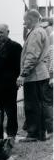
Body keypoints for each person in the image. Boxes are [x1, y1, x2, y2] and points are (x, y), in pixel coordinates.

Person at [17, 9, 50, 142]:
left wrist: (23, 74)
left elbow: (32, 55)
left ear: (30, 20)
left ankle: (33, 134)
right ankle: (41, 133)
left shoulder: (36, 33)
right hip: (40, 74)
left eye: (25, 21)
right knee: (41, 105)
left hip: (34, 75)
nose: (25, 23)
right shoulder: (42, 31)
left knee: (32, 105)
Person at [0, 24, 22, 138]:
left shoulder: (16, 47)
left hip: (9, 85)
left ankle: (11, 134)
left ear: (8, 32)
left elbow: (18, 66)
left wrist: (16, 82)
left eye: (1, 32)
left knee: (11, 111)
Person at [41, 19, 53, 139]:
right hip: (48, 77)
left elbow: (52, 61)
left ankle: (50, 131)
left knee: (47, 104)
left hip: (49, 78)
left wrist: (51, 77)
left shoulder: (51, 44)